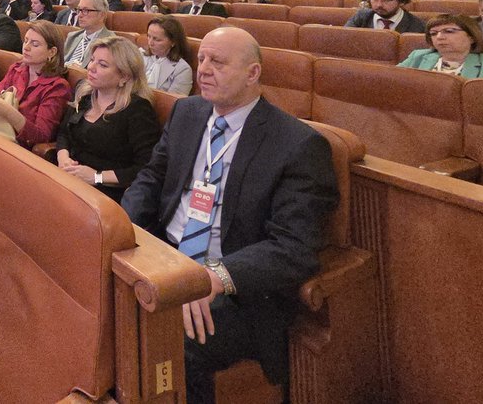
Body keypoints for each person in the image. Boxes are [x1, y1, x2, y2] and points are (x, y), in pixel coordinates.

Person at [120, 27, 338, 404]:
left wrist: (213, 278)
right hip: (166, 255)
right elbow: (151, 179)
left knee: (170, 338)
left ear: (253, 73)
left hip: (237, 287)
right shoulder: (188, 112)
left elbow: (293, 247)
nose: (203, 69)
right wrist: (124, 232)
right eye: (201, 59)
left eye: (217, 62)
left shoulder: (298, 145)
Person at [52, 36, 160, 202]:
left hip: (106, 193)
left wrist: (97, 177)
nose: (91, 67)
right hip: (70, 179)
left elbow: (145, 168)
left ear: (124, 76)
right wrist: (63, 159)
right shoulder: (84, 93)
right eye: (92, 60)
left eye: (102, 65)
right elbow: (64, 133)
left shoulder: (138, 109)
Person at [0, 21, 71, 148]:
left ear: (52, 52)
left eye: (35, 44)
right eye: (25, 41)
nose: (26, 47)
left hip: (18, 149)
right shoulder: (17, 69)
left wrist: (8, 112)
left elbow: (42, 135)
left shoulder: (57, 87)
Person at [397, 14, 483, 80]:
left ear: (471, 37)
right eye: (433, 33)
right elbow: (392, 82)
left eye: (449, 31)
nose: (439, 37)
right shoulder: (418, 56)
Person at [344, 0, 427, 34]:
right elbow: (345, 39)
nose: (379, 5)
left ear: (401, 2)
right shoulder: (361, 16)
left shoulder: (418, 25)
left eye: (387, 0)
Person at [142, 16, 194, 95]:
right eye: (149, 36)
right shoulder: (140, 55)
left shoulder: (182, 69)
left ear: (173, 42)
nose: (150, 43)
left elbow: (173, 103)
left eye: (157, 39)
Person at [63, 0, 116, 67]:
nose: (79, 15)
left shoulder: (111, 42)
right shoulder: (72, 36)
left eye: (86, 10)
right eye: (79, 10)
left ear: (102, 15)